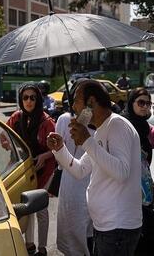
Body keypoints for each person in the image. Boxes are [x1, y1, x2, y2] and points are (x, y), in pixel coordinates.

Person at [47, 80, 142, 256]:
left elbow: (121, 172)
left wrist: (87, 141)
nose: (73, 106)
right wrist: (60, 149)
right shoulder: (100, 130)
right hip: (104, 225)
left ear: (91, 102)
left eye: (76, 101)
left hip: (118, 227)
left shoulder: (117, 125)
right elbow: (80, 169)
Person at [5, 83, 56, 256]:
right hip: (24, 169)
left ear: (38, 100)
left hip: (44, 169)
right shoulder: (16, 117)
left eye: (32, 98)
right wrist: (12, 147)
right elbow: (4, 138)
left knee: (40, 208)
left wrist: (44, 156)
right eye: (25, 97)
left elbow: (57, 148)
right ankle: (29, 245)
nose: (28, 101)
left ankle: (42, 248)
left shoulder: (46, 121)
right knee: (27, 207)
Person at [121, 88, 154, 240]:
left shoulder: (147, 128)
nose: (144, 107)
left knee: (143, 225)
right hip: (123, 182)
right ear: (131, 103)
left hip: (142, 184)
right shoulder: (121, 124)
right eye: (141, 102)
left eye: (147, 103)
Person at [56, 80, 94, 256]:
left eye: (79, 98)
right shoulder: (64, 120)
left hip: (93, 182)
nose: (74, 103)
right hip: (70, 182)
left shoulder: (100, 124)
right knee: (71, 230)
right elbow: (59, 158)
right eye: (75, 97)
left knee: (91, 230)